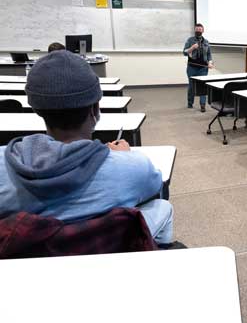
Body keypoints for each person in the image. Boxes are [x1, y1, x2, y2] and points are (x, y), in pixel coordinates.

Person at [0, 50, 174, 246]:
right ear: (95, 109)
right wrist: (126, 158)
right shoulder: (133, 167)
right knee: (162, 206)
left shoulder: (4, 163)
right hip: (105, 248)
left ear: (36, 108)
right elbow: (155, 186)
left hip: (25, 260)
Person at [183, 23, 214, 111]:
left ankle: (203, 105)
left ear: (203, 31)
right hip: (192, 67)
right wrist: (192, 48)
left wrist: (210, 63)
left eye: (200, 30)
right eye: (197, 29)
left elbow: (209, 55)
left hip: (203, 68)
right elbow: (184, 52)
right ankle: (190, 103)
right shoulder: (190, 40)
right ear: (195, 30)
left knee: (202, 86)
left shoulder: (206, 42)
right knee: (192, 86)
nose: (198, 31)